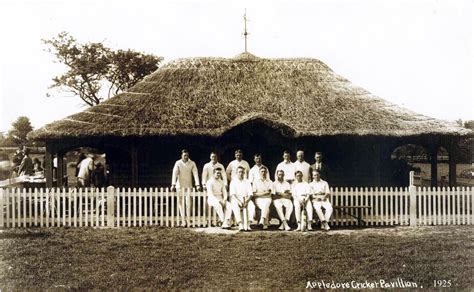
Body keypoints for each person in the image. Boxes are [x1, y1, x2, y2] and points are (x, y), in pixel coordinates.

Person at [171, 150, 201, 227]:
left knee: (189, 204)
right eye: (184, 155)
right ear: (181, 156)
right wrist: (173, 184)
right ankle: (183, 221)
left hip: (189, 186)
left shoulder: (192, 163)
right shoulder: (178, 163)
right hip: (179, 186)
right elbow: (175, 173)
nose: (186, 157)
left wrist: (197, 185)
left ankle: (188, 220)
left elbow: (195, 174)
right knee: (180, 204)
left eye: (187, 155)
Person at [229, 166, 254, 231]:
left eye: (242, 172)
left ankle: (248, 224)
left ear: (244, 173)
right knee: (235, 206)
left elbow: (250, 194)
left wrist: (247, 201)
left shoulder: (247, 181)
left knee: (251, 206)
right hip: (236, 199)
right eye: (239, 172)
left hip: (246, 198)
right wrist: (239, 201)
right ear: (236, 173)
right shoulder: (233, 181)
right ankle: (240, 224)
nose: (241, 173)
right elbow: (232, 194)